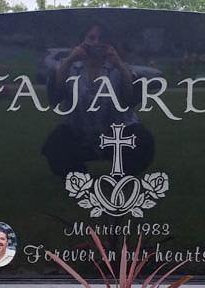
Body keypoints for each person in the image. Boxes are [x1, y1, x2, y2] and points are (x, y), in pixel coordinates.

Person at [41, 23, 155, 177]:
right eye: (91, 38)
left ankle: (122, 174)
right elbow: (56, 97)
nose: (96, 43)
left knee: (142, 139)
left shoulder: (120, 67)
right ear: (82, 41)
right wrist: (69, 60)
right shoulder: (69, 68)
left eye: (101, 39)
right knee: (57, 142)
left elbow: (130, 100)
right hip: (80, 133)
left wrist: (119, 65)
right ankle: (78, 177)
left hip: (117, 135)